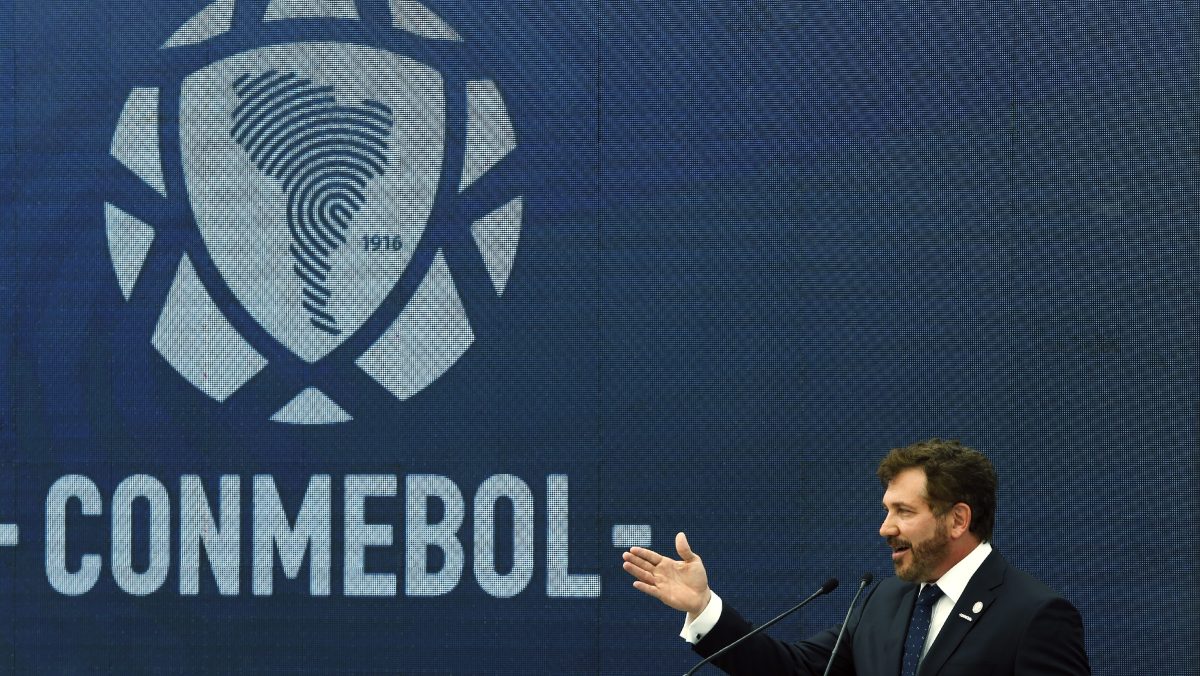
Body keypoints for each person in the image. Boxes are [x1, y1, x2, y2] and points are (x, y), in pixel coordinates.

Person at [621, 438, 1090, 675]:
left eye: (904, 511)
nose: (885, 528)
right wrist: (704, 608)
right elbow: (794, 670)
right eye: (887, 510)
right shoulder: (881, 601)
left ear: (957, 519)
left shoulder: (1034, 616)